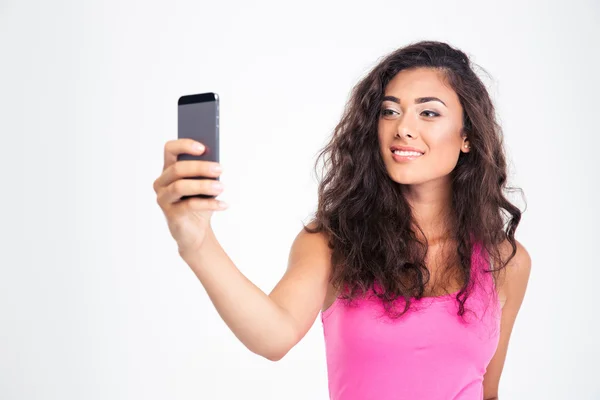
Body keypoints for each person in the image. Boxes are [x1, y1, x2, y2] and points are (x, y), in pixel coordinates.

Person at [153, 40, 531, 400]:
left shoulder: (506, 261)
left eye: (428, 112)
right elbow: (273, 335)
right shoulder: (332, 243)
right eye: (390, 111)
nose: (403, 128)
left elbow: (487, 391)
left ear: (467, 136)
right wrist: (197, 242)